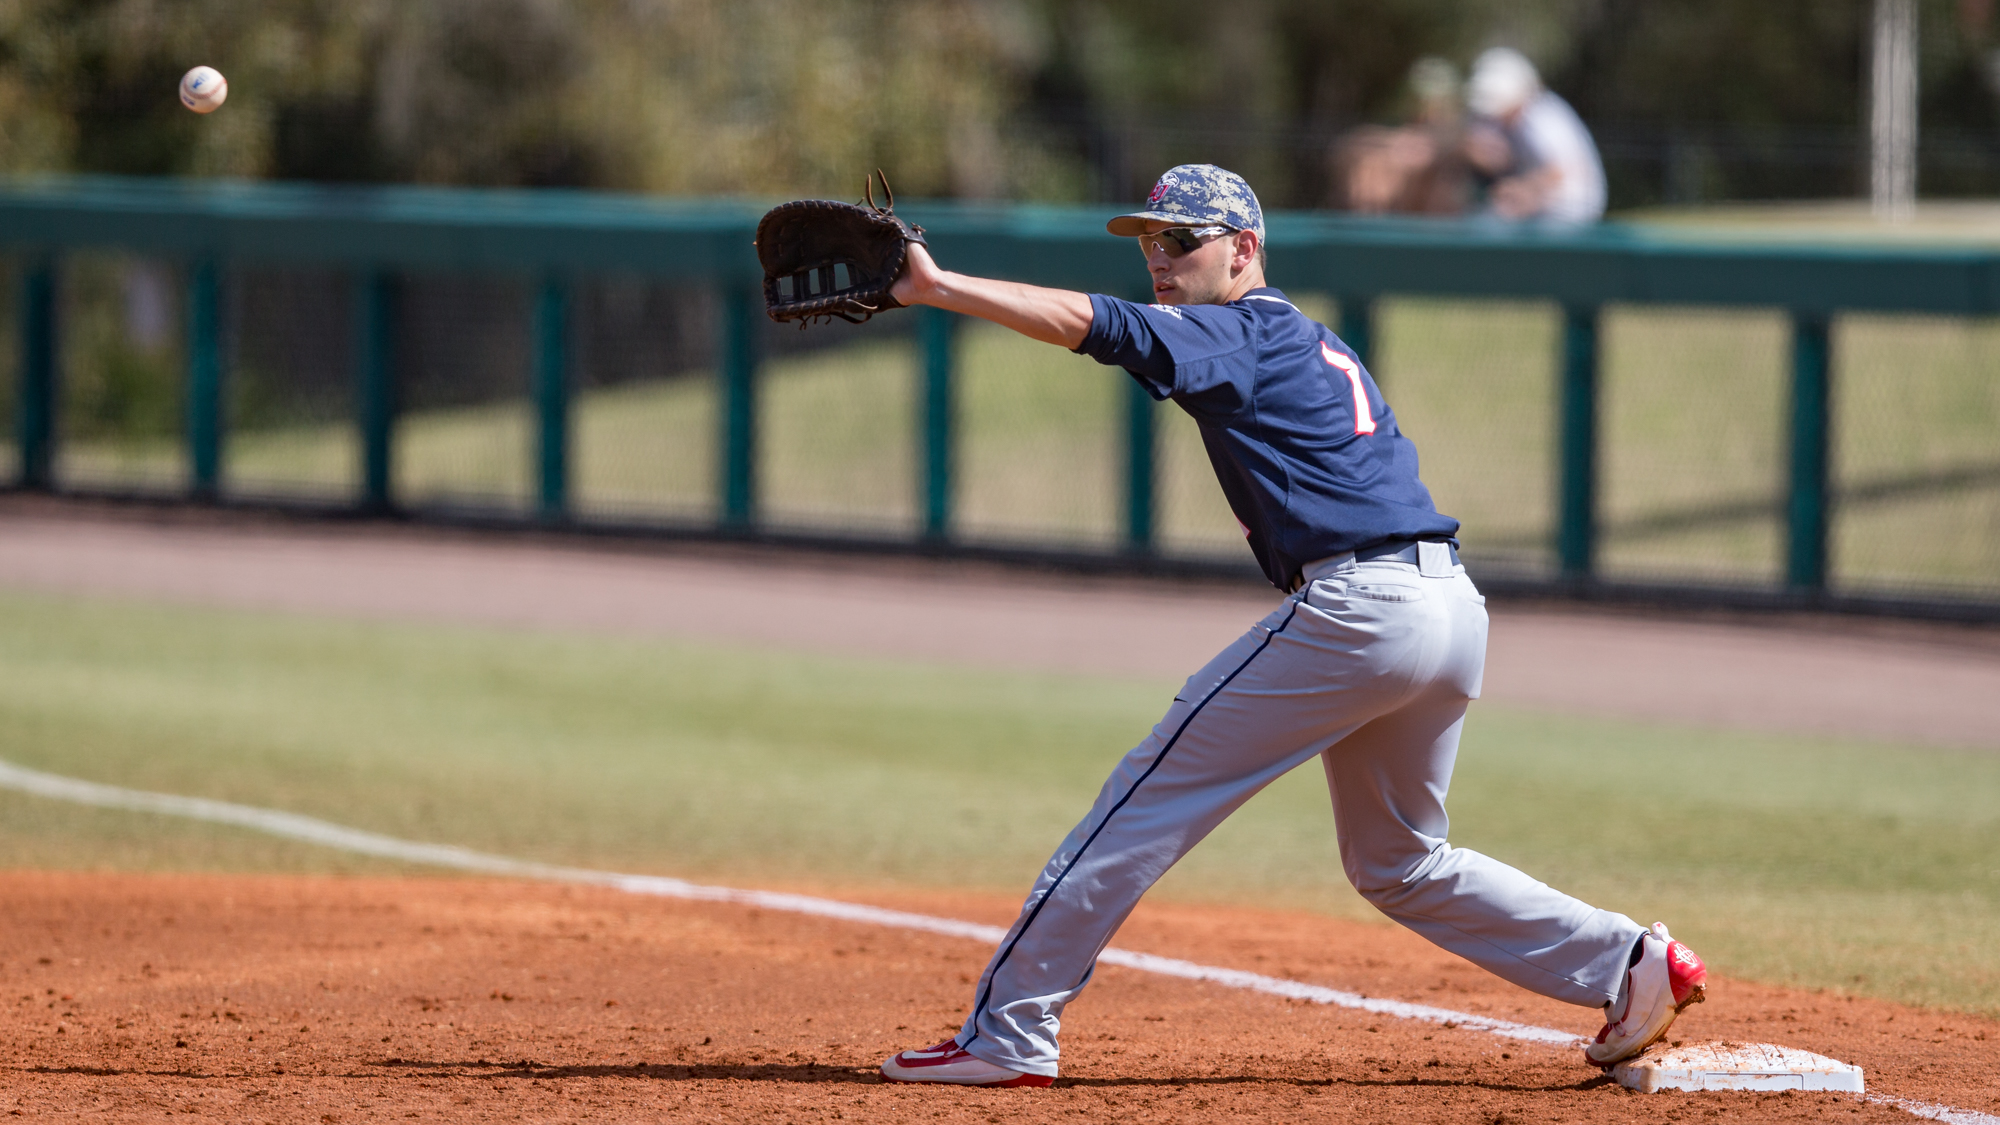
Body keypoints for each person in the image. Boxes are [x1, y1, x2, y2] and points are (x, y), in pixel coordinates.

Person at [875, 164, 1704, 1088]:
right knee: (1399, 862)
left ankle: (1008, 1033)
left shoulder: (1236, 328)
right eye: (1150, 239)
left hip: (1362, 610)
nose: (1160, 256)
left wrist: (940, 287)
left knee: (1140, 803)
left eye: (1182, 240)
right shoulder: (1306, 339)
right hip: (1447, 606)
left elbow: (1099, 326)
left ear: (1245, 248)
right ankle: (1626, 959)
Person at [1461, 47, 1606, 225]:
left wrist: (1524, 189)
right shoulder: (1511, 120)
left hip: (1566, 213)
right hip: (1540, 211)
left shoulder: (1542, 115)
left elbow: (1565, 169)